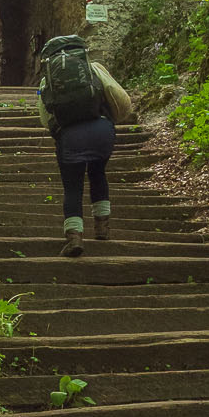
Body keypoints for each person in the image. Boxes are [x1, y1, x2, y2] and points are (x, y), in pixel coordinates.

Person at [36, 33, 136, 255]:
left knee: (73, 187)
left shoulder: (47, 80)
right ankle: (102, 228)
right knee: (98, 174)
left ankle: (75, 239)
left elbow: (45, 119)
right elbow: (120, 99)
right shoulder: (94, 69)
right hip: (101, 131)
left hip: (70, 137)